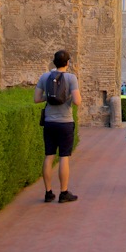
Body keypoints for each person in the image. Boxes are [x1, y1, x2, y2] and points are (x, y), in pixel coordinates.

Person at [34, 50, 82, 203]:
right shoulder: (70, 78)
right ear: (67, 63)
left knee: (48, 156)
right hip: (65, 122)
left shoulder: (45, 77)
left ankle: (48, 193)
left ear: (54, 62)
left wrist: (49, 96)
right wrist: (66, 96)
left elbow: (36, 99)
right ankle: (63, 192)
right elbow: (77, 101)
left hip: (49, 121)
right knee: (64, 158)